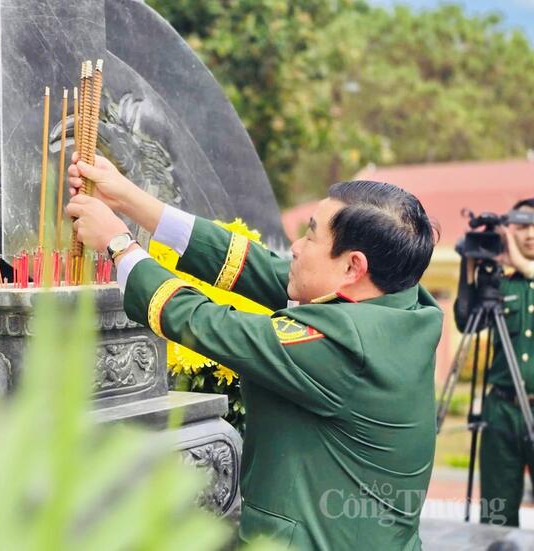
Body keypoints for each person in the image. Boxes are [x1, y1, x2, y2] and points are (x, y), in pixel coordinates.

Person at [66, 154, 442, 549]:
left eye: (311, 236)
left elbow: (203, 322)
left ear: (353, 267)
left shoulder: (343, 347)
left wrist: (119, 245)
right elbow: (253, 266)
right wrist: (129, 199)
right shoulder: (398, 304)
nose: (295, 247)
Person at [454, 198, 534, 527]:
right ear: (509, 231)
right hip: (501, 409)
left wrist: (517, 260)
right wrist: (469, 267)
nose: (529, 233)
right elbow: (464, 319)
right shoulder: (501, 283)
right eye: (522, 226)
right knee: (497, 514)